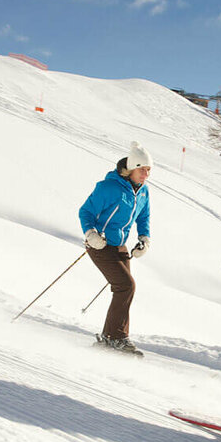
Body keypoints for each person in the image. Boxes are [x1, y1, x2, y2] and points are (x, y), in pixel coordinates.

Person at [79, 141, 152, 356]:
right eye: (142, 169)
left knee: (125, 289)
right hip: (99, 244)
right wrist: (90, 234)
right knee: (126, 286)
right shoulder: (108, 187)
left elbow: (144, 217)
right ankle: (116, 338)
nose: (145, 175)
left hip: (119, 246)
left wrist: (144, 239)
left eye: (148, 170)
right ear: (131, 168)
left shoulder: (143, 191)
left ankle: (109, 338)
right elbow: (85, 212)